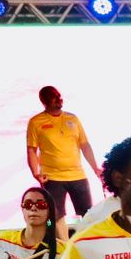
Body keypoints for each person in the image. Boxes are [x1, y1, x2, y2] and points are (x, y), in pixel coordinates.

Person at [26, 85, 101, 240]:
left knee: (88, 213)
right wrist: (36, 173)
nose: (58, 99)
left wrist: (95, 168)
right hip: (52, 177)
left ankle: (86, 244)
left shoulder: (72, 118)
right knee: (55, 217)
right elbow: (32, 150)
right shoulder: (36, 122)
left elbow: (85, 145)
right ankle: (64, 249)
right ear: (44, 101)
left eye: (59, 96)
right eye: (53, 97)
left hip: (77, 174)